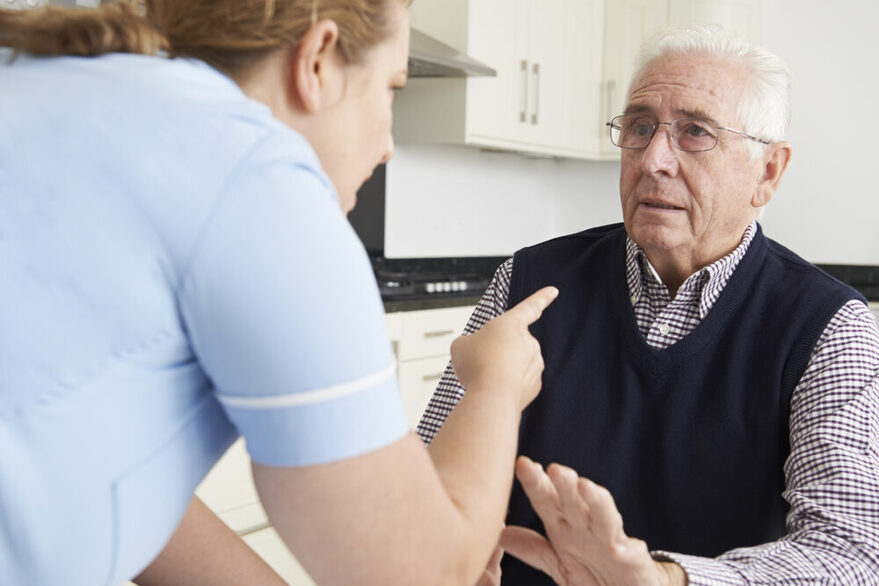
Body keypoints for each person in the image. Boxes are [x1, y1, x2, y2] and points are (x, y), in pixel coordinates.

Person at [0, 1, 560, 585]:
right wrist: (493, 384)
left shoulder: (62, 84)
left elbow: (113, 472)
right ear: (316, 61)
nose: (390, 143)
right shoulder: (258, 177)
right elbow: (420, 576)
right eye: (391, 88)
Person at [418, 26, 879, 585]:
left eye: (695, 132)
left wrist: (664, 580)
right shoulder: (529, 284)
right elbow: (424, 488)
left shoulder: (829, 327)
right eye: (640, 127)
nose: (654, 159)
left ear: (767, 172)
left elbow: (851, 552)